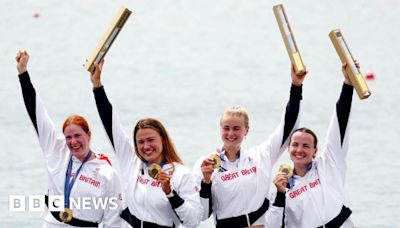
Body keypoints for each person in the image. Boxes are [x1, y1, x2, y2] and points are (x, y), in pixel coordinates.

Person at [15, 50, 123, 227]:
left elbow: (114, 220)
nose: (73, 142)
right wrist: (23, 73)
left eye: (78, 136)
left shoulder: (107, 173)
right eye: (68, 137)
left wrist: (97, 83)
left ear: (89, 135)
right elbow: (37, 114)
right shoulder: (56, 150)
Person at [89, 60, 203, 228]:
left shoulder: (180, 174)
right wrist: (97, 85)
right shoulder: (132, 162)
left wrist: (170, 193)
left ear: (162, 140)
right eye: (140, 142)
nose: (146, 146)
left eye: (151, 140)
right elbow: (110, 123)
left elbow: (193, 221)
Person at [192, 66, 307, 228]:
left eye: (237, 128)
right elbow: (202, 215)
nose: (231, 133)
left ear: (247, 130)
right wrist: (205, 182)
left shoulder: (260, 155)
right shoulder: (206, 165)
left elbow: (288, 127)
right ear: (220, 129)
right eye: (226, 128)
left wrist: (296, 86)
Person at [266, 62, 358, 227]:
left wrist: (348, 83)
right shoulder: (280, 185)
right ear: (288, 148)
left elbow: (340, 122)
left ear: (315, 151)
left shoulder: (329, 164)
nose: (299, 150)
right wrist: (280, 196)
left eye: (306, 146)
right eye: (295, 145)